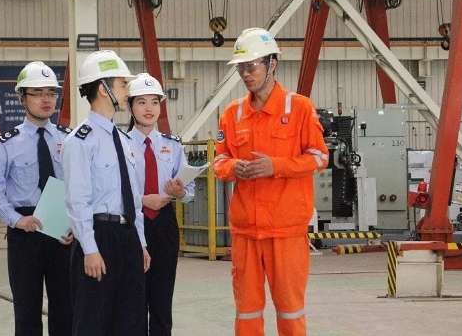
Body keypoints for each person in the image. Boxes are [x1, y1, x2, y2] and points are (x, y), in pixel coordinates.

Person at [213, 28, 329, 336]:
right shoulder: (232, 114)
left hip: (286, 232)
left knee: (290, 309)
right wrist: (234, 167)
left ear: (272, 63)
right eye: (241, 67)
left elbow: (320, 157)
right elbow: (218, 161)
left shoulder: (300, 108)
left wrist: (276, 166)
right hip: (246, 233)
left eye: (251, 66)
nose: (245, 74)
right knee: (247, 311)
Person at [0, 61, 74, 336]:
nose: (46, 99)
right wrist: (16, 220)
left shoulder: (69, 140)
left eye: (51, 93)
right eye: (37, 93)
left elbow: (80, 186)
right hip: (25, 232)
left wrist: (75, 224)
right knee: (26, 310)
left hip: (62, 232)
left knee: (66, 310)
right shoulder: (8, 143)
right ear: (22, 98)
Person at [63, 50, 150, 336]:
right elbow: (77, 200)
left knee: (132, 323)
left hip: (127, 238)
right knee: (93, 322)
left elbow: (133, 199)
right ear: (104, 89)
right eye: (123, 85)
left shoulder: (124, 141)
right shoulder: (80, 141)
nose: (128, 92)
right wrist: (89, 249)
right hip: (99, 237)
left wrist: (140, 242)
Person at [125, 73, 195, 336]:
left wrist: (180, 192)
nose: (149, 109)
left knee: (162, 301)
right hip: (131, 223)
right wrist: (143, 200)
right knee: (132, 301)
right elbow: (112, 191)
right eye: (141, 102)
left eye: (154, 102)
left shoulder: (172, 145)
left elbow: (189, 191)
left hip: (164, 224)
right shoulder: (120, 144)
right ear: (130, 106)